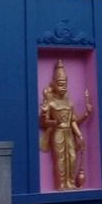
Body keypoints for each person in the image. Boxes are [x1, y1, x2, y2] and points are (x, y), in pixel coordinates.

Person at [39, 58, 92, 190]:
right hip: (57, 133)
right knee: (60, 160)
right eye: (60, 84)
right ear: (53, 84)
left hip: (69, 132)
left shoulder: (69, 103)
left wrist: (85, 118)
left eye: (65, 84)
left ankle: (71, 183)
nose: (63, 87)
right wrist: (47, 115)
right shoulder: (50, 103)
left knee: (72, 158)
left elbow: (73, 121)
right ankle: (61, 184)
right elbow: (43, 123)